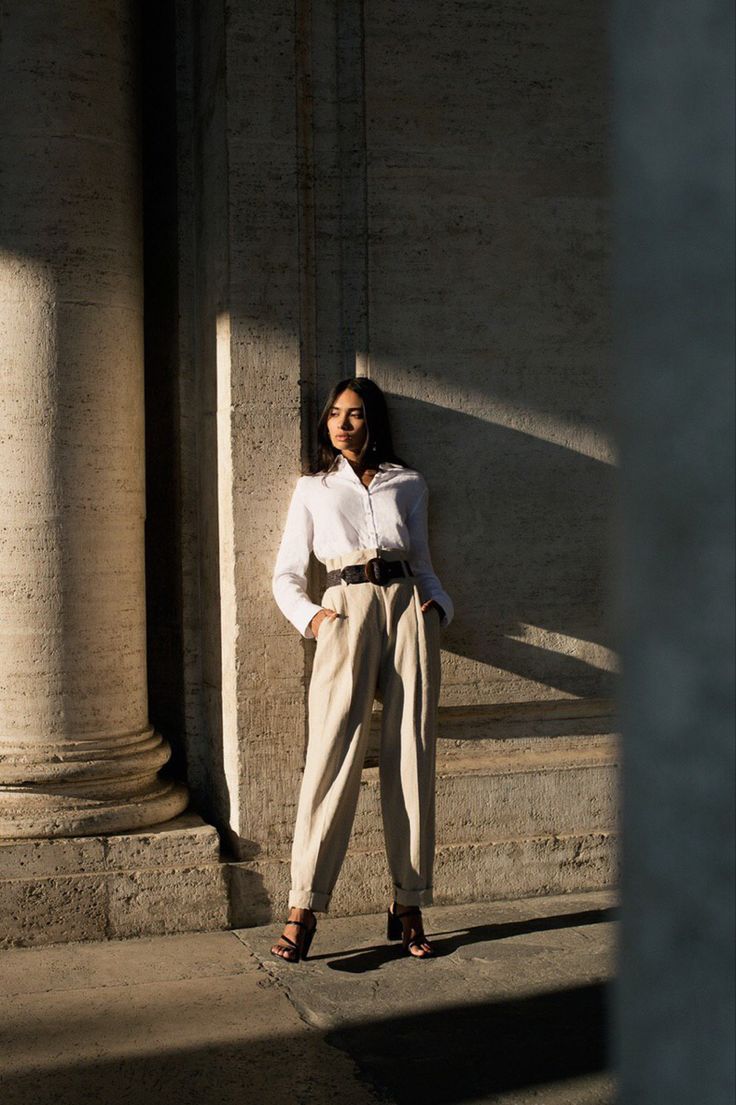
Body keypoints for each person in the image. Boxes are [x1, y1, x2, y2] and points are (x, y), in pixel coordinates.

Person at [270, 377, 454, 962]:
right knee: (331, 757)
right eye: (334, 415)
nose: (342, 424)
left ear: (373, 420)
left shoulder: (410, 483)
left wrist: (439, 608)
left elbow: (423, 562)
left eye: (354, 415)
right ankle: (303, 906)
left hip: (408, 614)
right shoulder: (313, 488)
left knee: (411, 757)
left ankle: (410, 902)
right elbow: (286, 575)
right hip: (344, 611)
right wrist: (314, 619)